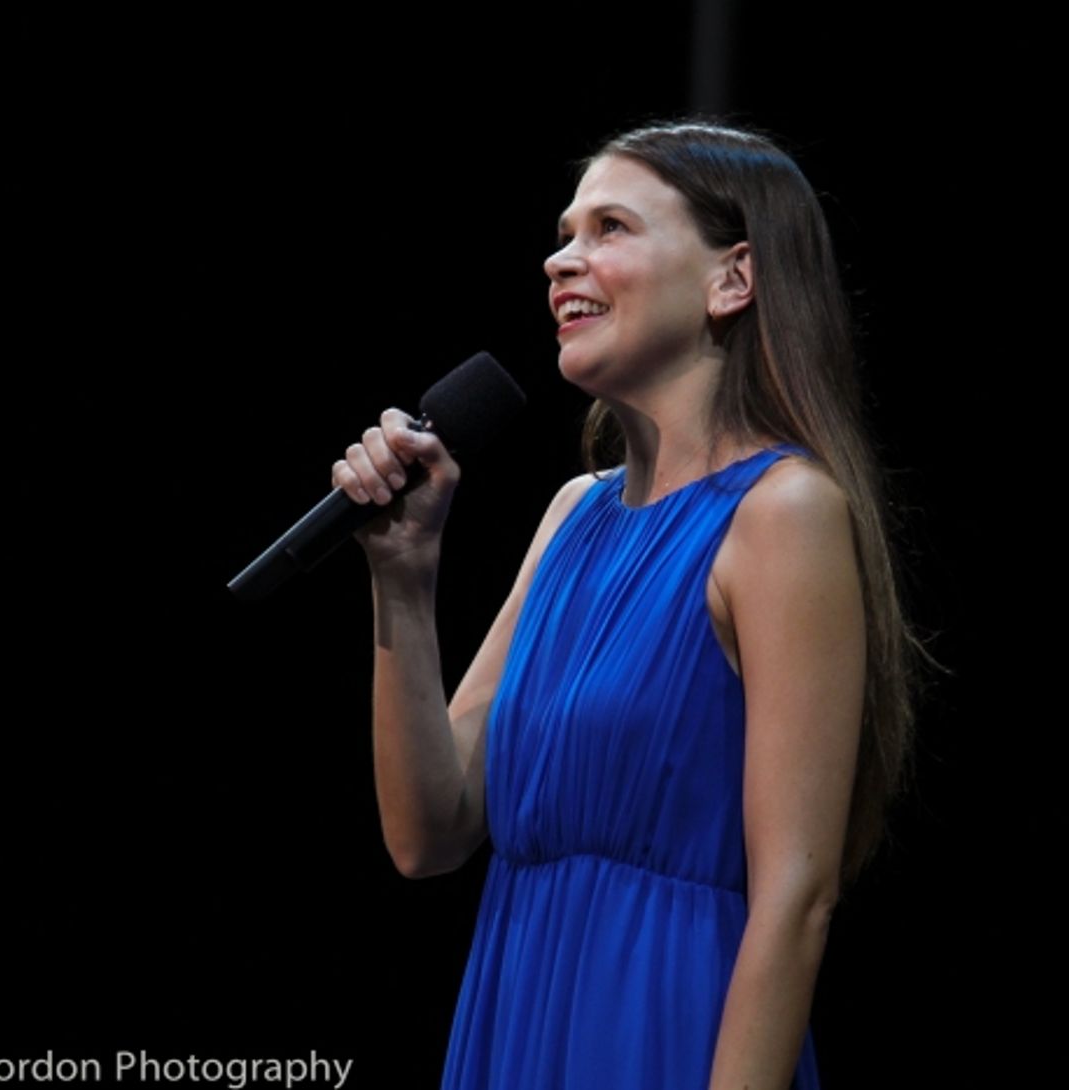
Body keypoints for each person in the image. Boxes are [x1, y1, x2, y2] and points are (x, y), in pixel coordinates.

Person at [330, 120, 928, 1089]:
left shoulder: (782, 513)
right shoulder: (573, 514)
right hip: (518, 1017)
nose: (560, 259)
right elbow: (427, 832)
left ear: (732, 279)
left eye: (609, 228)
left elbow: (796, 897)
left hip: (665, 1031)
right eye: (564, 233)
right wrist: (402, 581)